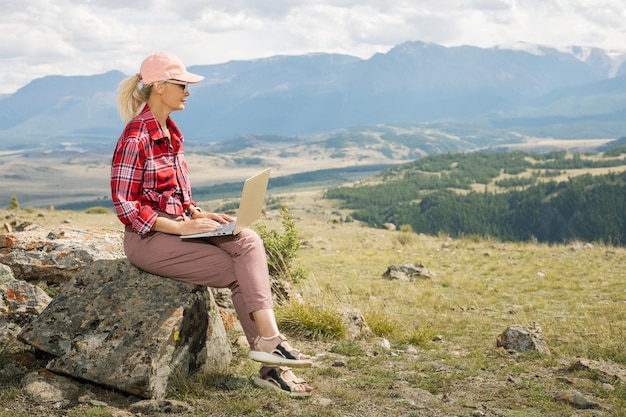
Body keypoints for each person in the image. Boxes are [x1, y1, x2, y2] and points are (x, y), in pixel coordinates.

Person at [110, 51, 313, 397]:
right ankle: (271, 364)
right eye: (182, 84)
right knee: (236, 271)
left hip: (180, 226)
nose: (188, 91)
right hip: (148, 239)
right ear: (159, 87)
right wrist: (178, 227)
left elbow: (175, 193)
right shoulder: (137, 136)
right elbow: (125, 204)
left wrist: (195, 213)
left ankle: (269, 342)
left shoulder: (171, 132)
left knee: (247, 239)